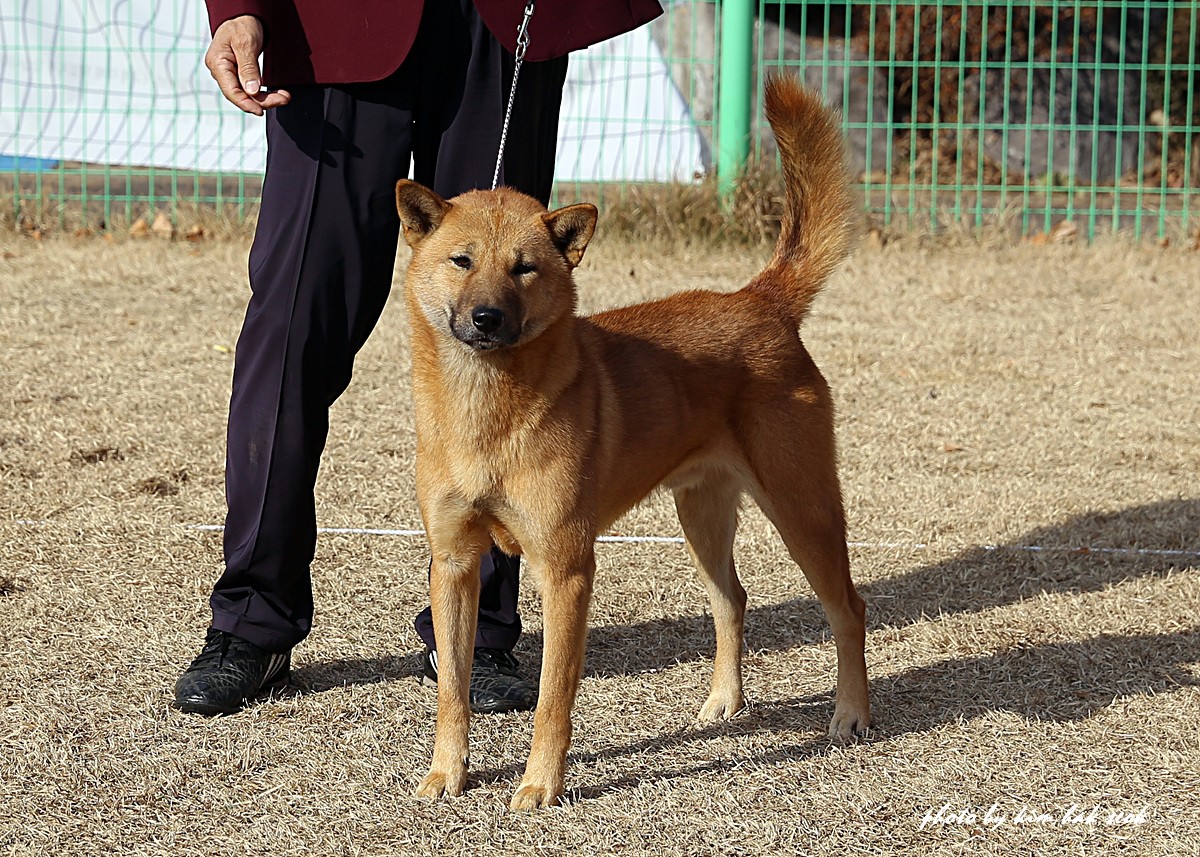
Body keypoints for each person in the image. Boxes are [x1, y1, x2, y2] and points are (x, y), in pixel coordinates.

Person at [174, 0, 662, 717]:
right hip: (330, 22)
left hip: (501, 21)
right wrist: (239, 8)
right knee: (291, 330)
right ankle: (253, 620)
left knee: (504, 319)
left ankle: (478, 633)